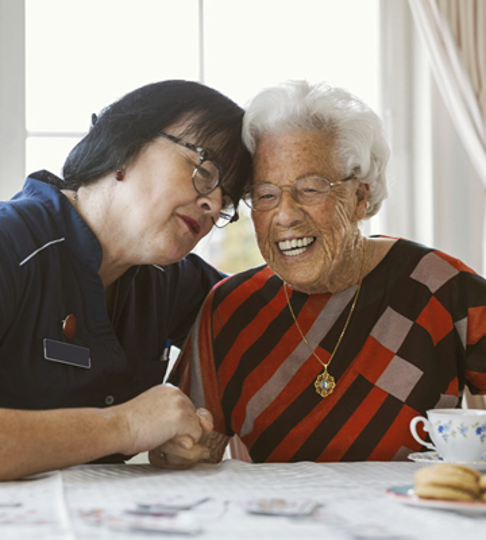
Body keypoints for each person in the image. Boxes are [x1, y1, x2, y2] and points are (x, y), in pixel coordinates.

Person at [155, 80, 486, 467]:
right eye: (265, 195)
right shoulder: (229, 309)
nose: (285, 214)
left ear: (361, 197)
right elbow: (187, 454)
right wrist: (178, 448)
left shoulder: (442, 288)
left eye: (311, 189)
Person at [0, 79, 252, 484]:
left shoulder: (169, 278)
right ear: (124, 146)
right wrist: (123, 426)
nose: (213, 205)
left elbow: (270, 321)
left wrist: (189, 427)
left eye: (226, 201)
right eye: (203, 171)